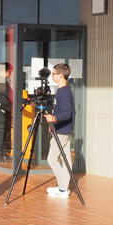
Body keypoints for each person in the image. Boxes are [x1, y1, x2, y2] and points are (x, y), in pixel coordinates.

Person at [44, 63, 75, 199]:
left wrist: (54, 118)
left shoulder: (64, 92)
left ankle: (62, 188)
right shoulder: (62, 91)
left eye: (54, 73)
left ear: (61, 75)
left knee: (52, 159)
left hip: (62, 131)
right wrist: (54, 123)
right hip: (61, 129)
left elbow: (67, 113)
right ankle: (63, 188)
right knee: (65, 159)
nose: (52, 75)